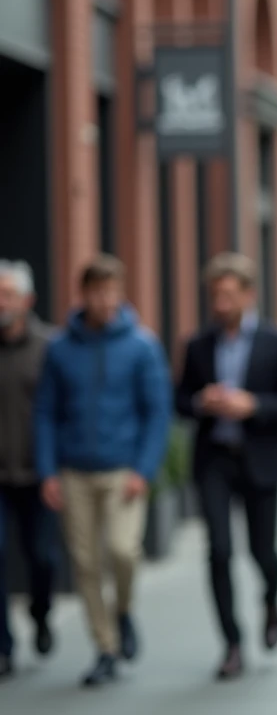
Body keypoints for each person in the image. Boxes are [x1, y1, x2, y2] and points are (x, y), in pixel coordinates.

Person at [34, 255, 171, 687]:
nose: (105, 300)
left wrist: (144, 469)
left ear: (121, 293)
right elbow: (45, 412)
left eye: (111, 291)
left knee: (123, 551)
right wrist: (47, 471)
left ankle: (124, 610)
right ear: (84, 295)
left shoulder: (142, 346)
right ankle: (105, 647)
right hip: (73, 471)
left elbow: (157, 412)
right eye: (97, 292)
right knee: (86, 563)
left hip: (123, 471)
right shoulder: (60, 348)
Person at [175, 253, 277, 681]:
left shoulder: (276, 341)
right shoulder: (198, 345)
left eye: (229, 295)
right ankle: (231, 643)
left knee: (262, 552)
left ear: (249, 295)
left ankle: (271, 599)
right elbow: (180, 399)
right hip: (214, 459)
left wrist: (254, 405)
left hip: (261, 459)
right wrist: (202, 401)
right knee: (218, 550)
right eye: (215, 296)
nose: (221, 304)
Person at [0, 260, 57, 679]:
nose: (1, 303)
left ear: (27, 300)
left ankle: (40, 613)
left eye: (7, 295)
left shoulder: (50, 347)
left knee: (43, 558)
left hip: (39, 475)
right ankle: (3, 646)